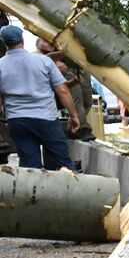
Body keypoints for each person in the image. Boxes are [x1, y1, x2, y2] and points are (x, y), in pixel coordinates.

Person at [0, 25, 80, 170]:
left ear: (4, 42)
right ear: (22, 40)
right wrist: (74, 115)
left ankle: (34, 192)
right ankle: (72, 191)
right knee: (63, 165)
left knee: (30, 169)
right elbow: (63, 91)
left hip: (17, 120)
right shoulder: (43, 61)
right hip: (46, 119)